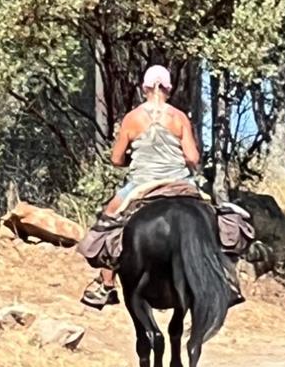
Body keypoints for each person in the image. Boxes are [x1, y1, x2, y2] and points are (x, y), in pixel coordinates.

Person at [80, 64, 202, 310]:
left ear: (144, 88)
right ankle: (226, 277)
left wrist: (130, 158)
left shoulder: (132, 118)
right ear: (169, 88)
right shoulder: (179, 118)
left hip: (142, 184)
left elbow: (116, 159)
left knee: (109, 222)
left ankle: (106, 286)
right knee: (213, 214)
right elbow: (193, 157)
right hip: (179, 183)